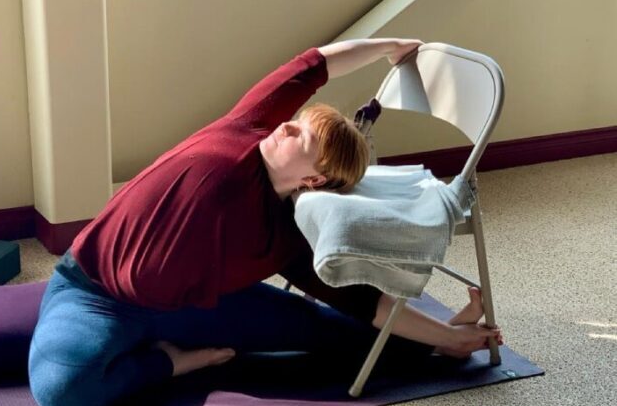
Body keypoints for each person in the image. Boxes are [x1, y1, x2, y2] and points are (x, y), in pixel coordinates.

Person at [28, 39, 503, 406]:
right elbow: (312, 66)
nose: (287, 126)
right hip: (94, 291)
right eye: (297, 120)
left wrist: (448, 336)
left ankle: (446, 345)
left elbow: (364, 305)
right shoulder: (243, 129)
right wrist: (390, 47)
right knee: (62, 390)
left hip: (196, 307)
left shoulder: (287, 239)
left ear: (315, 179)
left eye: (301, 135)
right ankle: (170, 362)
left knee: (330, 334)